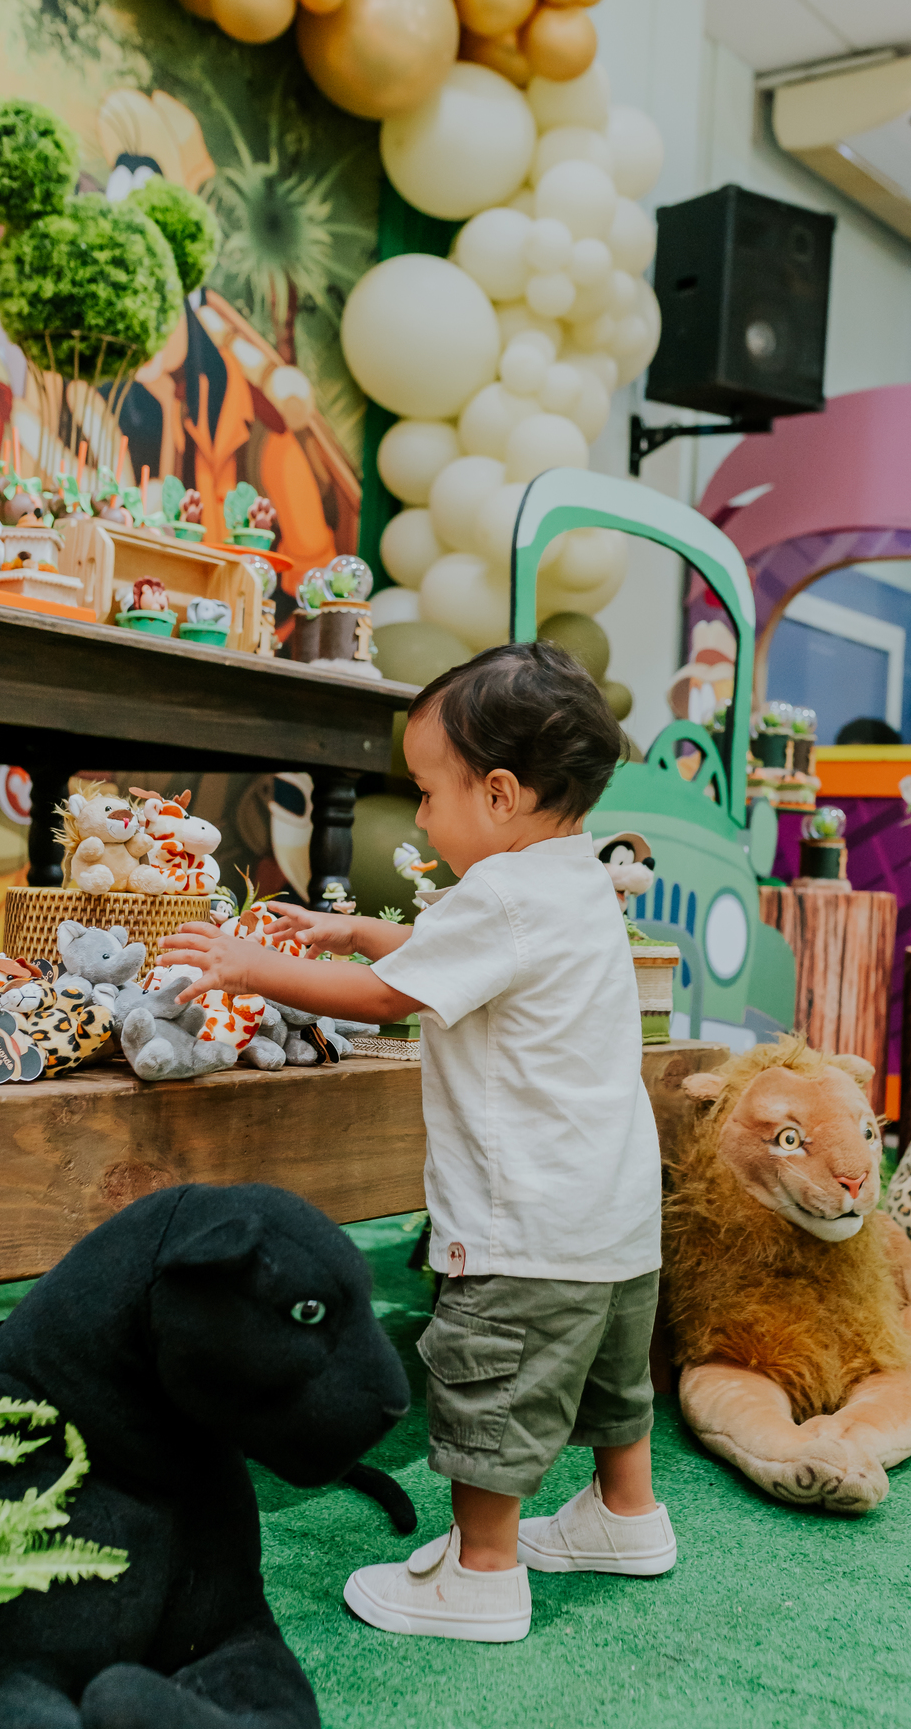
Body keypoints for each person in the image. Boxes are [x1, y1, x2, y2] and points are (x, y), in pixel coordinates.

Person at [158, 642, 676, 1644]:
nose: (424, 815)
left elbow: (396, 999)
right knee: (619, 1380)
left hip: (524, 1223)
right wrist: (354, 932)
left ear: (498, 793)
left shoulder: (504, 894)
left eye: (429, 792)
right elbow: (464, 965)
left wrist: (249, 962)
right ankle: (625, 1514)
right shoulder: (576, 879)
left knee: (492, 1382)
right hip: (616, 1220)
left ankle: (480, 1573)